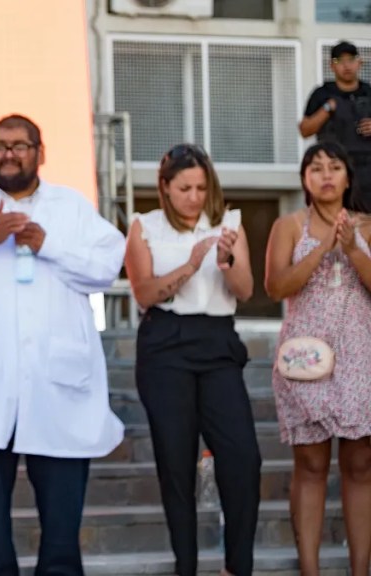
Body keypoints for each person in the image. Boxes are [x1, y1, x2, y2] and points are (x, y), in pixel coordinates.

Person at [0, 114, 125, 576]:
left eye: (20, 145)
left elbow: (106, 265)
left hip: (57, 381)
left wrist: (50, 244)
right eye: (0, 145)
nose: (9, 153)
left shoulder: (71, 206)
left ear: (40, 153)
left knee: (62, 521)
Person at [124, 143, 261, 576]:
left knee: (243, 457)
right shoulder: (143, 226)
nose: (195, 196)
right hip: (165, 343)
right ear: (165, 187)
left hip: (218, 343)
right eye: (185, 187)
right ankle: (187, 566)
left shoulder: (229, 223)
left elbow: (245, 291)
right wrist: (190, 264)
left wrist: (225, 261)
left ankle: (237, 566)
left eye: (202, 187)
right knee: (176, 461)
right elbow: (144, 293)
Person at [265, 141, 371, 576]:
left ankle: (359, 570)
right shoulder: (289, 225)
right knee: (310, 463)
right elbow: (276, 287)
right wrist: (322, 246)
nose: (326, 174)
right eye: (316, 168)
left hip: (360, 353)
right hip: (305, 357)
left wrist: (351, 249)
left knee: (361, 462)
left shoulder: (367, 224)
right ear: (304, 180)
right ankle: (310, 571)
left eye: (335, 166)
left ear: (348, 176)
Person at [300, 41, 371, 205]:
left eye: (351, 60)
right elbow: (305, 130)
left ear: (359, 63)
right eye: (340, 61)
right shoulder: (322, 94)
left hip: (367, 169)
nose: (346, 66)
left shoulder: (368, 92)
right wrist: (327, 108)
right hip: (332, 168)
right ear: (332, 66)